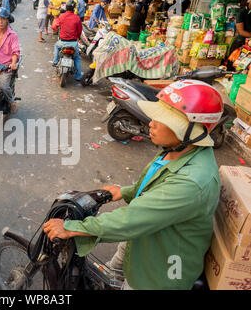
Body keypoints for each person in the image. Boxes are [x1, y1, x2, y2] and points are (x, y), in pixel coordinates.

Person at [43, 80, 224, 290]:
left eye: (163, 120)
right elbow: (156, 184)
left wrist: (72, 228)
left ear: (190, 131)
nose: (151, 123)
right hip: (143, 242)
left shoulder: (192, 182)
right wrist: (124, 192)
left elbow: (133, 219)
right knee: (111, 272)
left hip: (159, 272)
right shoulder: (176, 150)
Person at [51, 0, 82, 81]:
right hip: (73, 43)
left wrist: (55, 28)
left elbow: (55, 26)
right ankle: (78, 76)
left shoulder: (61, 16)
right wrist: (78, 38)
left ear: (66, 8)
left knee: (56, 46)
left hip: (62, 42)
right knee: (77, 58)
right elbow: (79, 31)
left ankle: (55, 61)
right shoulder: (77, 18)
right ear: (74, 8)